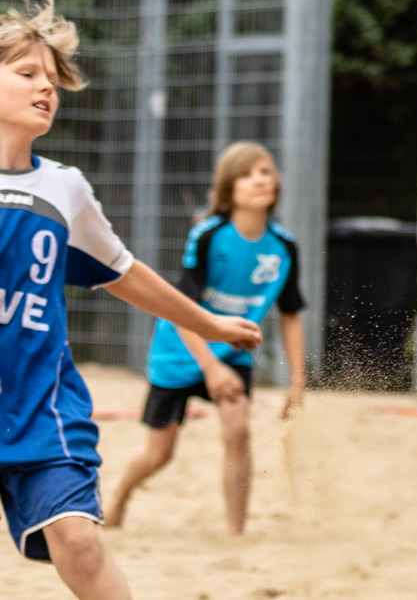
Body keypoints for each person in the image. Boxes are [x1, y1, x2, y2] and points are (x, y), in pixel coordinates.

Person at [0, 0, 260, 600]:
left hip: (42, 410)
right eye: (27, 73)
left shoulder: (62, 188)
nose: (46, 87)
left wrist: (209, 324)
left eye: (52, 78)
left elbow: (126, 273)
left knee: (82, 545)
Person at [105, 142, 305, 535]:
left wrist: (297, 382)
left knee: (238, 431)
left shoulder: (284, 246)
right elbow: (179, 309)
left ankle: (236, 534)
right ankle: (120, 494)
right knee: (159, 454)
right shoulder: (209, 235)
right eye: (247, 174)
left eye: (265, 171)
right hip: (179, 352)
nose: (259, 180)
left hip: (233, 353)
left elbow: (291, 315)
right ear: (229, 188)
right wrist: (209, 367)